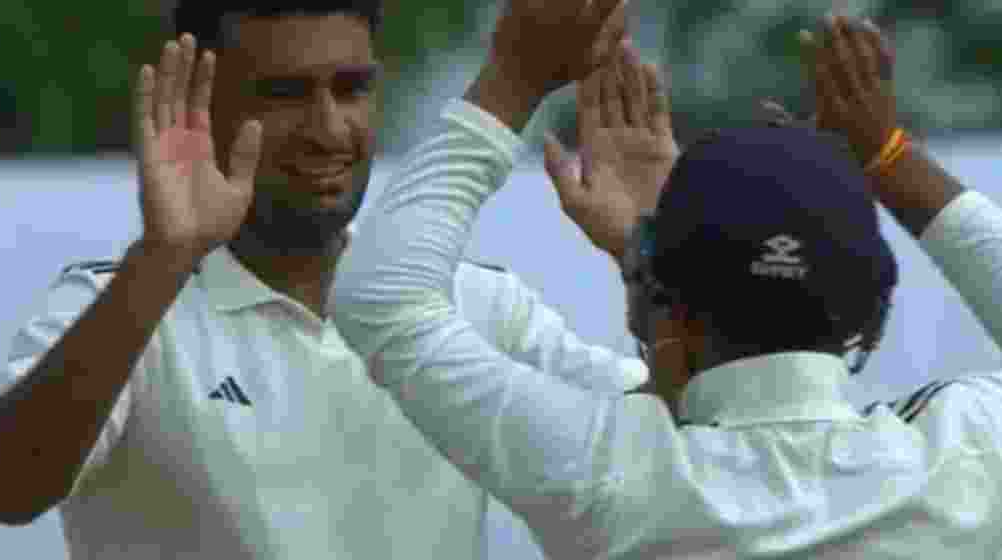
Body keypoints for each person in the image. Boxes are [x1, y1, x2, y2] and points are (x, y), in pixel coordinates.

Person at [0, 1, 645, 558]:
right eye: (284, 94)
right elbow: (5, 491)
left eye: (351, 89)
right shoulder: (124, 303)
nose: (328, 130)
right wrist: (164, 256)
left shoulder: (478, 303)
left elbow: (686, 443)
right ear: (202, 99)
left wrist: (654, 256)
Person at [332, 10, 1002, 558]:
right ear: (878, 320)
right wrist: (888, 155)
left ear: (654, 303)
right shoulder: (964, 456)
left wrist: (511, 81)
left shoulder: (611, 472)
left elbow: (383, 298)